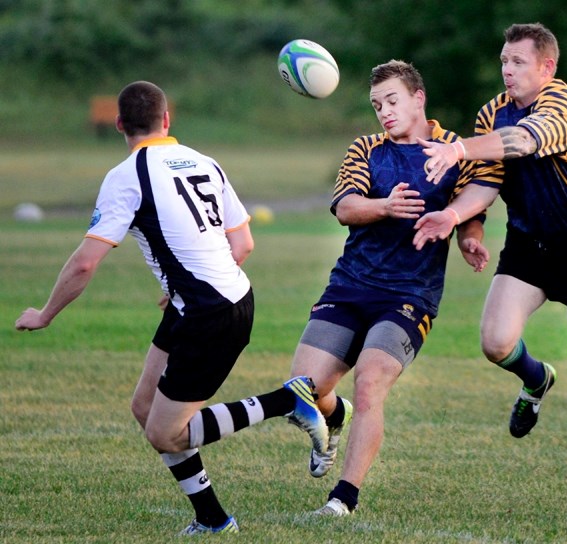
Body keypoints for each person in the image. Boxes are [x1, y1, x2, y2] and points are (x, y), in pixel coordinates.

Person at [14, 81, 330, 535]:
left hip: (210, 312)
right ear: (167, 120)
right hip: (210, 300)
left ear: (120, 124)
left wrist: (45, 313)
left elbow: (85, 264)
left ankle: (287, 400)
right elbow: (243, 242)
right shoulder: (206, 162)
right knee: (145, 408)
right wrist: (185, 281)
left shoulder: (126, 175)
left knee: (164, 432)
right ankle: (212, 519)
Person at [413, 23, 567, 501]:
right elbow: (486, 182)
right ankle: (536, 378)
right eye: (504, 62)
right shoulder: (492, 111)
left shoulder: (565, 107)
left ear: (547, 67)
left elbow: (524, 142)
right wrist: (455, 217)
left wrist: (459, 147)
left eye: (518, 63)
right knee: (494, 342)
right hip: (529, 245)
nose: (507, 71)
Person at [288, 60, 502, 516]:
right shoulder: (366, 148)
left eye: (392, 101)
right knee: (303, 389)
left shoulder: (452, 150)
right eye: (376, 105)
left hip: (409, 294)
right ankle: (334, 415)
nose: (383, 112)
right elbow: (346, 208)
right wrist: (384, 206)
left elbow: (473, 207)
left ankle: (343, 498)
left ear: (417, 98)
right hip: (350, 285)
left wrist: (469, 238)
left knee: (370, 382)